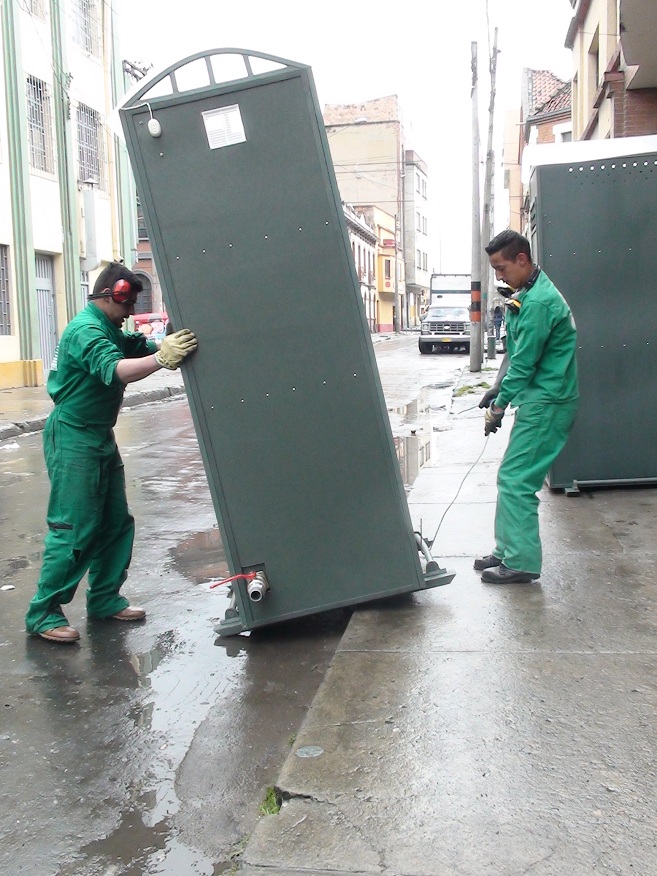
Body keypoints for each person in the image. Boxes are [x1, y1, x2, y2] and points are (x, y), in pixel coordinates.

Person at [25, 263, 198, 643]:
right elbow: (117, 368)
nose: (132, 312)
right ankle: (43, 613)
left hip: (99, 436)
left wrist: (164, 344)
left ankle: (104, 598)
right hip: (72, 435)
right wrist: (162, 360)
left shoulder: (110, 328)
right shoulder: (86, 331)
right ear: (111, 294)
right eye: (129, 303)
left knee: (115, 521)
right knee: (74, 528)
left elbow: (138, 345)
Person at [475, 230, 578, 584]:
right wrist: (496, 388)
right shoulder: (528, 293)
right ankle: (507, 550)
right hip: (539, 399)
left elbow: (524, 365)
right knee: (510, 475)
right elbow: (514, 353)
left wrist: (500, 407)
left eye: (502, 268)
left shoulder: (538, 303)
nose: (499, 276)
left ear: (522, 259)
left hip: (547, 403)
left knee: (517, 480)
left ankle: (521, 562)